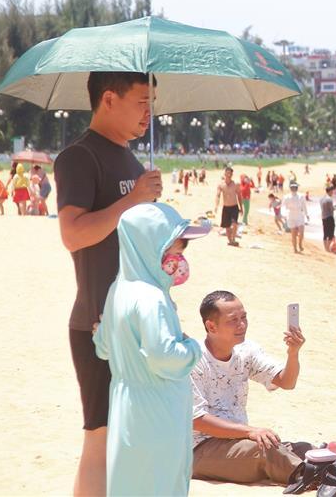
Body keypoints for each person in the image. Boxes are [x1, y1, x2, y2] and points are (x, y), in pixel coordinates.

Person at [54, 71, 163, 496]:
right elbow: (73, 234)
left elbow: (130, 240)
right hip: (98, 321)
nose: (148, 112)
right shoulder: (79, 157)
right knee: (99, 435)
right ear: (109, 100)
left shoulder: (132, 160)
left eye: (151, 101)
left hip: (137, 320)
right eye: (141, 101)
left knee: (128, 435)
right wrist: (132, 199)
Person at [189, 291, 336, 492]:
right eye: (233, 320)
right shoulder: (193, 359)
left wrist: (293, 353)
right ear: (211, 326)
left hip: (238, 441)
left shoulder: (246, 351)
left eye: (244, 317)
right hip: (200, 450)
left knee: (306, 449)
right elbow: (196, 420)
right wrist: (250, 431)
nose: (242, 324)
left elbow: (286, 381)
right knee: (268, 452)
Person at [94, 203, 209, 496]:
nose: (178, 261)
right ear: (149, 246)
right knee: (160, 481)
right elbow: (164, 357)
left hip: (125, 405)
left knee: (130, 482)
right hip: (157, 410)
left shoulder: (118, 289)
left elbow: (103, 347)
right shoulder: (152, 298)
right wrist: (193, 347)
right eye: (174, 251)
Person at [215, 167, 242, 247]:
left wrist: (241, 207)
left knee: (234, 224)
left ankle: (233, 239)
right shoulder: (221, 185)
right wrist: (216, 206)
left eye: (230, 173)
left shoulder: (236, 184)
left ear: (232, 174)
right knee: (227, 226)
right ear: (225, 174)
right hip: (226, 207)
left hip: (234, 207)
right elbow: (218, 195)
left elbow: (239, 196)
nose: (229, 175)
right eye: (227, 173)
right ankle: (230, 241)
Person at [282, 181, 307, 254]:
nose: (293, 188)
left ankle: (300, 244)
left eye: (295, 187)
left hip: (299, 215)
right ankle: (295, 248)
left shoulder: (301, 196)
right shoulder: (286, 197)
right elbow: (283, 207)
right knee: (293, 234)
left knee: (301, 232)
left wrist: (307, 214)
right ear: (290, 188)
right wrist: (284, 215)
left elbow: (304, 206)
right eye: (292, 187)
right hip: (291, 216)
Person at [320, 186, 336, 252]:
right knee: (330, 233)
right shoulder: (329, 199)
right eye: (332, 191)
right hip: (329, 217)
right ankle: (328, 249)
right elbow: (331, 209)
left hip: (323, 217)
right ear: (330, 191)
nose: (333, 192)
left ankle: (325, 248)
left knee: (325, 233)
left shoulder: (321, 199)